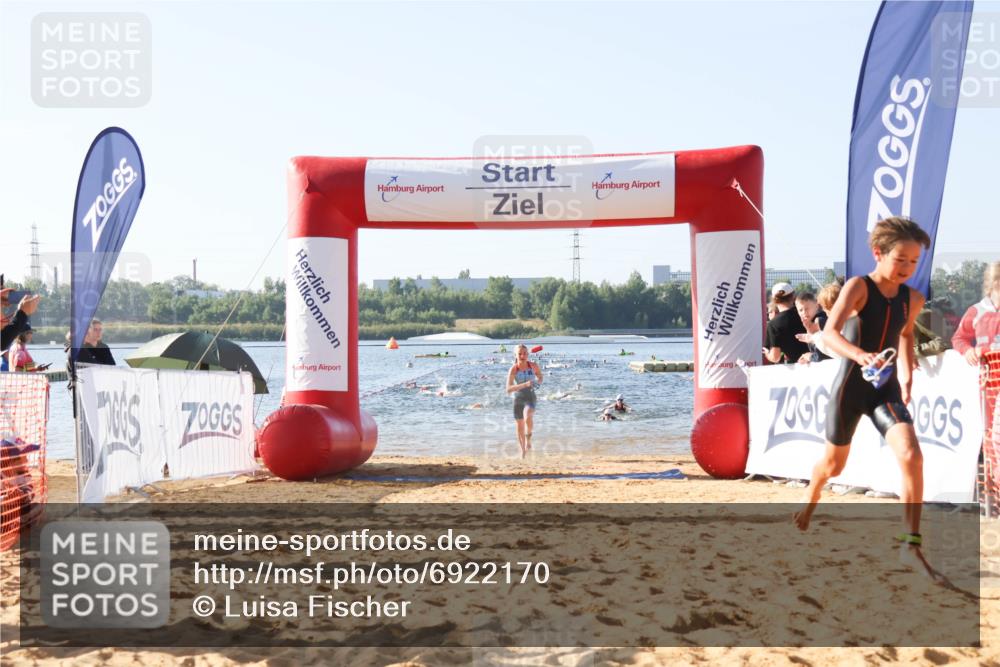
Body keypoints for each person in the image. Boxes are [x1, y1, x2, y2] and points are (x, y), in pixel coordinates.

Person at [793, 217, 935, 576]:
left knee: (911, 453)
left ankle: (911, 543)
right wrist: (860, 355)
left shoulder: (913, 298)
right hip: (849, 388)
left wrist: (906, 376)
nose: (907, 268)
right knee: (834, 467)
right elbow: (828, 333)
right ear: (878, 253)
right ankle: (813, 495)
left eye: (914, 262)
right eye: (900, 259)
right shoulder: (859, 287)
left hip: (883, 389)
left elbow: (904, 336)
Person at [951, 260, 1000, 366]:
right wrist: (967, 350)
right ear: (995, 282)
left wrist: (984, 350)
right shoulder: (976, 311)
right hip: (989, 378)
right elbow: (959, 338)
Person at [506, 344, 543, 458]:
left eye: (525, 353)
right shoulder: (514, 369)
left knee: (527, 417)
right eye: (520, 353)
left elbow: (540, 377)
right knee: (520, 425)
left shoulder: (533, 366)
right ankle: (523, 451)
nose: (523, 355)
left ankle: (529, 438)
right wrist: (525, 384)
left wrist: (538, 382)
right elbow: (508, 389)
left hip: (530, 396)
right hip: (518, 398)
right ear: (516, 355)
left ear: (528, 354)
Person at [764, 282, 809, 364]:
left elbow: (775, 357)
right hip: (819, 361)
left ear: (774, 299)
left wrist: (767, 353)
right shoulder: (805, 313)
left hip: (797, 367)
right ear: (793, 296)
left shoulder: (773, 324)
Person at [793, 292, 829, 364]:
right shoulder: (810, 322)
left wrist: (809, 356)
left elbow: (822, 355)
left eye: (807, 309)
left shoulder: (820, 321)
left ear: (817, 306)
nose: (804, 312)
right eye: (800, 310)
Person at [1, 289, 41, 354]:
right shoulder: (18, 349)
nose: (31, 335)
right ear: (22, 333)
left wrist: (22, 312)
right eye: (29, 332)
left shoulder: (19, 347)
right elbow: (3, 342)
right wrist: (22, 313)